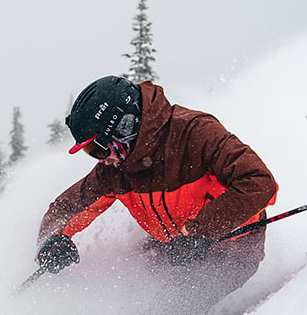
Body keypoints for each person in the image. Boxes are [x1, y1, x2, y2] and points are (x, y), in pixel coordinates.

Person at [36, 75, 278, 297]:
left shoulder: (195, 133)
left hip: (231, 246)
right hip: (176, 247)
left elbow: (258, 181)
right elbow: (67, 206)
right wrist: (51, 241)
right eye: (91, 153)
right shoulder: (115, 170)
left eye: (97, 148)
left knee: (161, 312)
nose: (101, 159)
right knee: (129, 294)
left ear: (124, 127)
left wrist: (200, 232)